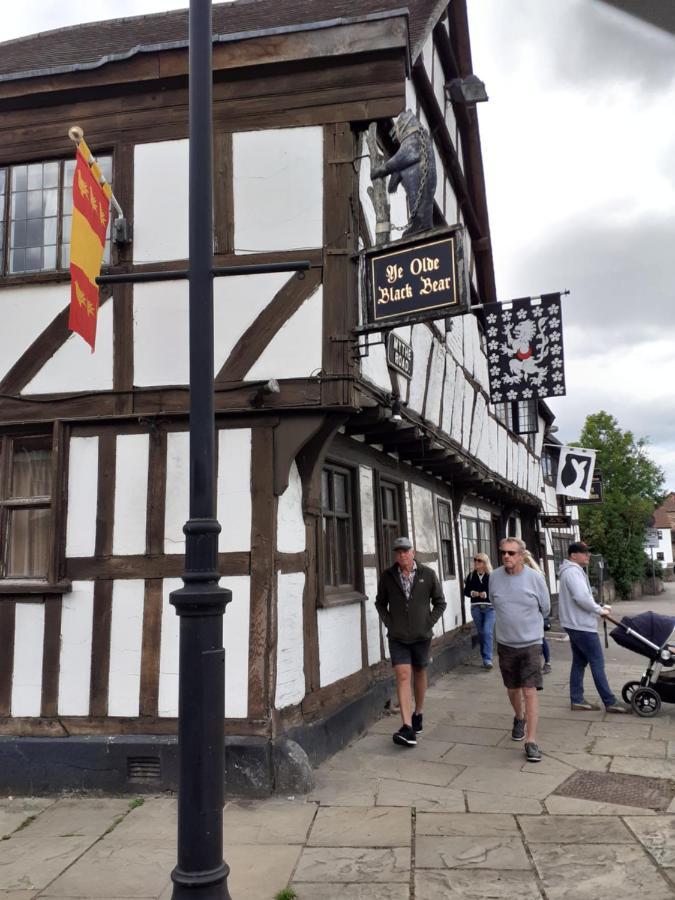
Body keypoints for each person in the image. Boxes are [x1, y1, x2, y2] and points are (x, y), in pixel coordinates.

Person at [375, 536, 447, 747]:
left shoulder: (428, 574)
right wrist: (390, 623)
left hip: (421, 636)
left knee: (419, 673)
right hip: (398, 637)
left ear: (413, 552)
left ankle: (418, 712)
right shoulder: (388, 576)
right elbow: (380, 603)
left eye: (405, 551)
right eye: (398, 552)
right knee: (403, 674)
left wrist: (428, 623)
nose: (402, 555)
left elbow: (440, 603)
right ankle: (407, 727)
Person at [489, 537, 551, 763]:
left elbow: (545, 609)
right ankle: (519, 717)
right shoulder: (494, 577)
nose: (506, 556)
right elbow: (495, 604)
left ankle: (532, 741)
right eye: (503, 552)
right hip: (506, 643)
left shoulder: (535, 579)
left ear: (522, 556)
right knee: (513, 689)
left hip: (531, 643)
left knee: (529, 691)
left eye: (511, 553)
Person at [558, 541, 630, 713]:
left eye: (588, 552)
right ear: (573, 555)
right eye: (584, 552)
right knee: (597, 662)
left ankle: (577, 700)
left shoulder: (571, 571)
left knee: (579, 662)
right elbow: (581, 598)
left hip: (575, 623)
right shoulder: (573, 572)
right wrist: (600, 610)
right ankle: (610, 701)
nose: (588, 555)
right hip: (581, 625)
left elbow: (582, 597)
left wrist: (598, 606)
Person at [523, 549, 552, 674]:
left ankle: (546, 663)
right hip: (525, 613)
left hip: (535, 612)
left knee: (540, 638)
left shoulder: (535, 575)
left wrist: (543, 613)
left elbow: (543, 599)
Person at [463, 552, 494, 669]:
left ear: (485, 563)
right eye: (475, 560)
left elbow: (495, 591)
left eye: (479, 560)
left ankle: (488, 659)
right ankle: (484, 657)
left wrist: (486, 594)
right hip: (475, 608)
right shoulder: (471, 576)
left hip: (490, 608)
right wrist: (473, 593)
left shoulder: (491, 576)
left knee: (487, 632)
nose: (476, 562)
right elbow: (466, 592)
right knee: (481, 634)